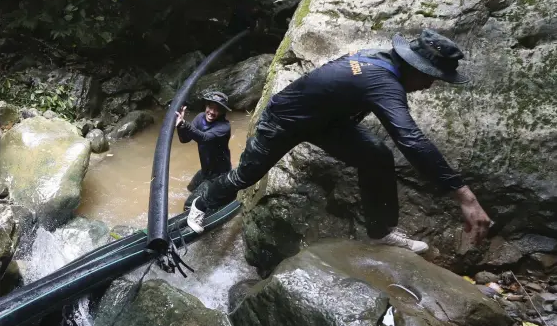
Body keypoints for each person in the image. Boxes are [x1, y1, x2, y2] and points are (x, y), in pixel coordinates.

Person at [186, 29, 492, 254]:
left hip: (326, 123)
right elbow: (410, 138)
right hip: (283, 120)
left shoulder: (384, 61)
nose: (429, 85)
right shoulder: (381, 80)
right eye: (430, 76)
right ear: (414, 66)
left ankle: (380, 231)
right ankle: (202, 202)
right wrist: (466, 198)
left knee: (376, 155)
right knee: (246, 175)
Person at [175, 91, 234, 209]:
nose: (211, 112)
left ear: (222, 112)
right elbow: (185, 139)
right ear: (206, 106)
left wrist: (185, 124)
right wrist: (180, 126)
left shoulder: (224, 127)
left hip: (218, 175)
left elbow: (204, 138)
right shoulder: (200, 118)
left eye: (216, 110)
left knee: (188, 205)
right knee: (190, 189)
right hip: (206, 171)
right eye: (210, 107)